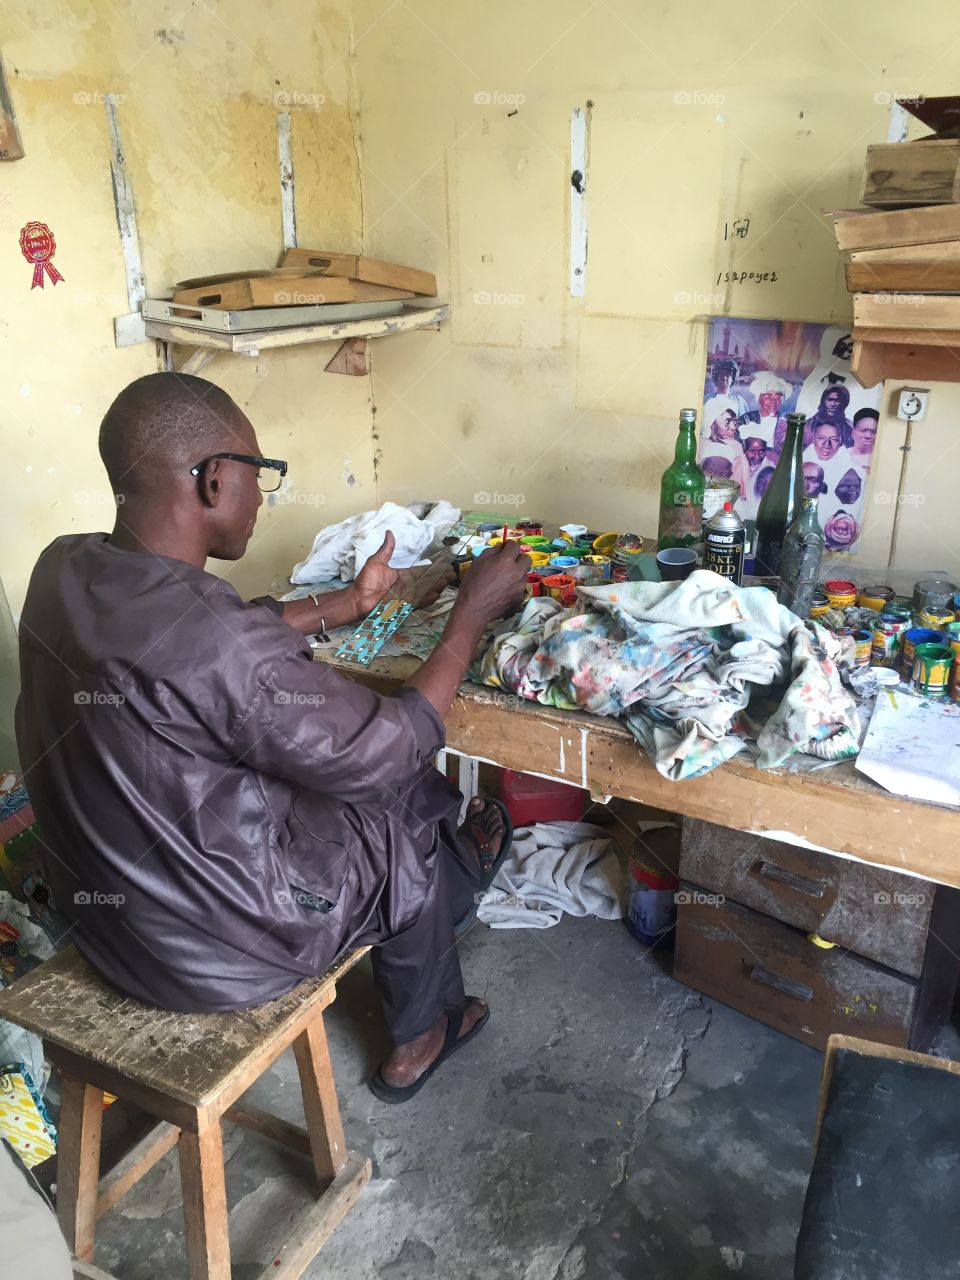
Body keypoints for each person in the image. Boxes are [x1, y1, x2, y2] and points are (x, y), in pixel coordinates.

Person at [16, 373, 532, 1103]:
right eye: (260, 473)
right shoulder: (216, 643)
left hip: (109, 928)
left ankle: (443, 883)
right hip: (219, 955)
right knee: (398, 797)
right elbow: (389, 745)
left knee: (347, 781)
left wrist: (344, 604)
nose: (262, 494)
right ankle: (421, 1032)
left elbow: (205, 635)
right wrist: (470, 614)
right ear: (214, 479)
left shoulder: (64, 567)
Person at [741, 371, 792, 445]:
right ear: (759, 398)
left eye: (777, 396)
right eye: (768, 396)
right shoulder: (746, 419)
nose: (773, 400)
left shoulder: (788, 421)